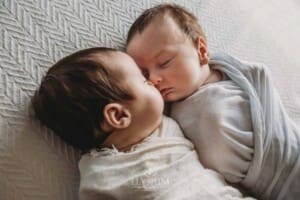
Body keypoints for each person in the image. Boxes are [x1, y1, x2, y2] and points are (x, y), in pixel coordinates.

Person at [126, 3, 300, 200]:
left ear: (201, 51)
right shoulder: (186, 116)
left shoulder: (231, 71)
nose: (154, 79)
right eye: (145, 74)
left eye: (164, 62)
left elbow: (262, 86)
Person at [31, 47, 255, 200]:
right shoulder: (101, 175)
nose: (153, 81)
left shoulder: (168, 122)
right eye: (143, 80)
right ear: (119, 117)